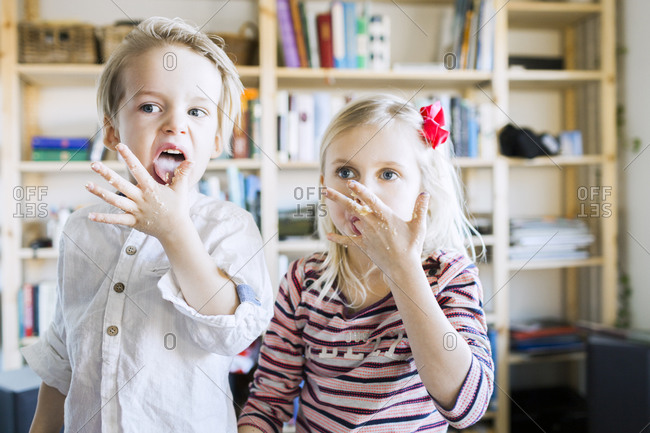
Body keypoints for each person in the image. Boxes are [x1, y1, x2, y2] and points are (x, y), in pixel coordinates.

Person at [22, 16, 274, 433]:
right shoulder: (81, 229)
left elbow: (231, 330)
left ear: (216, 139)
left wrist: (175, 232)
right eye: (150, 107)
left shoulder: (229, 225)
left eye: (197, 110)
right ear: (111, 129)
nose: (175, 124)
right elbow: (64, 358)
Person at [238, 95, 494, 432]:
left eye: (388, 174)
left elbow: (467, 407)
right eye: (345, 172)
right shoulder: (302, 282)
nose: (362, 191)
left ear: (423, 190)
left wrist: (402, 268)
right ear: (323, 185)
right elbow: (269, 402)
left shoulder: (449, 275)